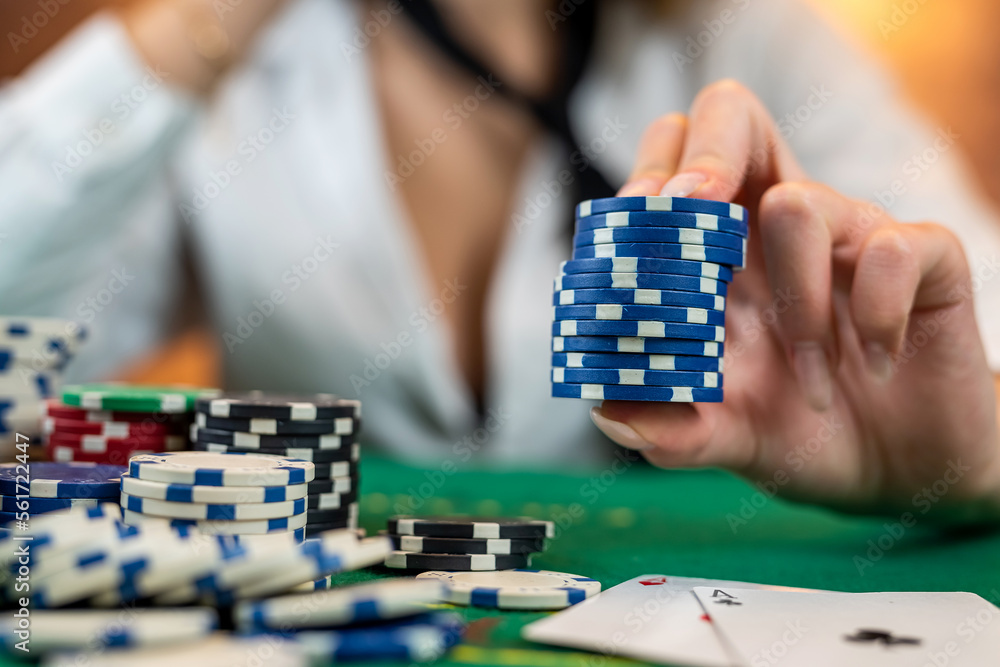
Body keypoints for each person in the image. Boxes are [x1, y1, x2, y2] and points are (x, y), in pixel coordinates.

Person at [1, 0, 999, 520]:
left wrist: (973, 457)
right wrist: (190, 31)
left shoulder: (752, 33)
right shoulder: (236, 67)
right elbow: (17, 351)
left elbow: (970, 311)